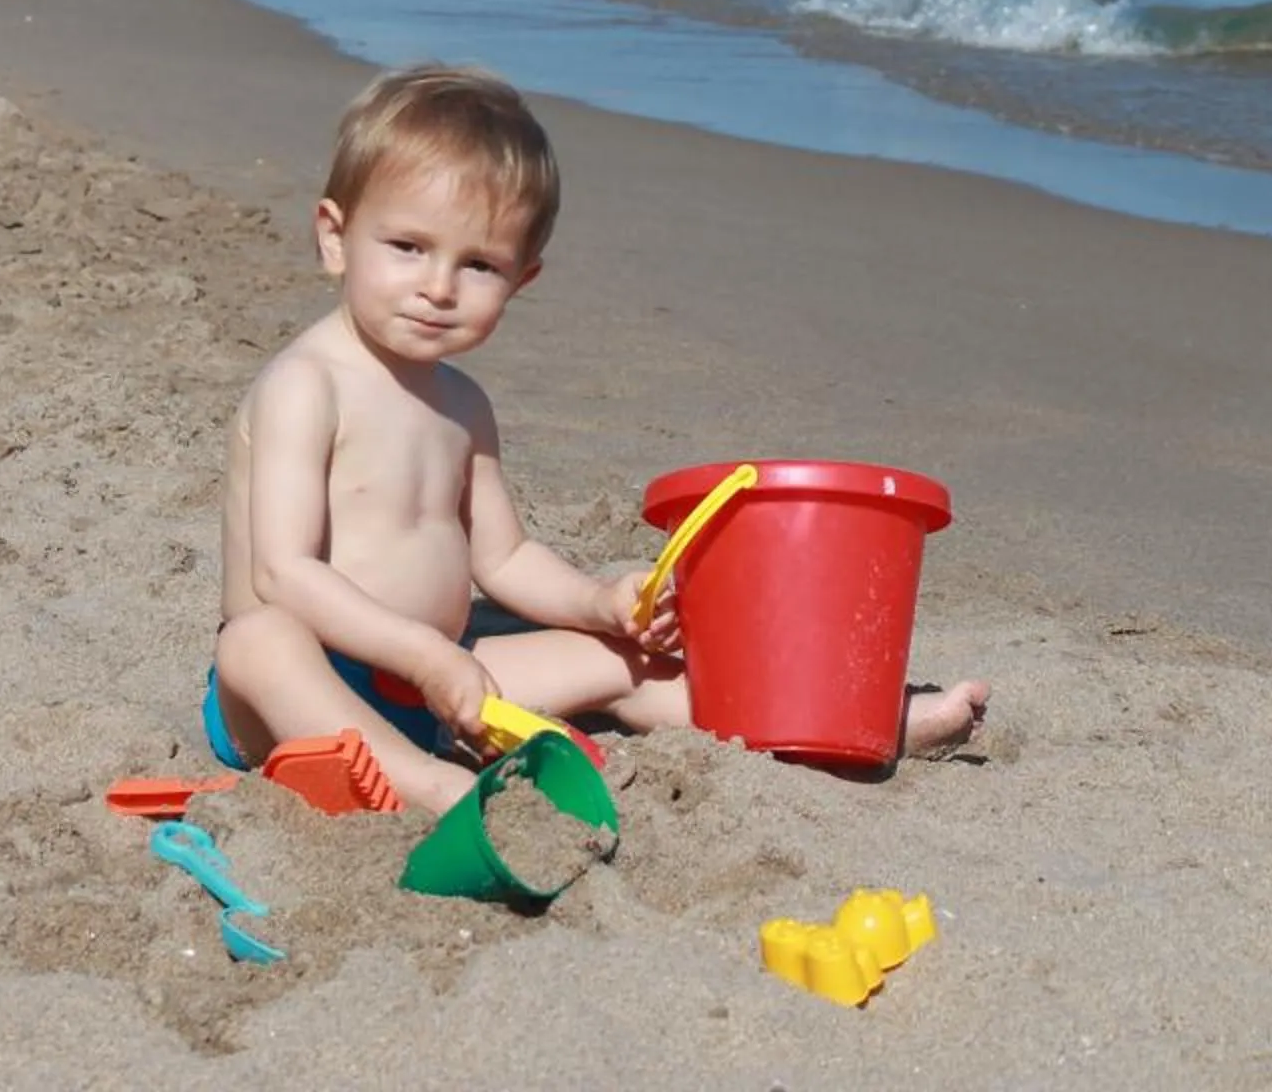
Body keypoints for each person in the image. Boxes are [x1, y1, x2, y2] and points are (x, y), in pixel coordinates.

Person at [205, 64, 986, 810]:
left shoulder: (462, 404)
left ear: (522, 279)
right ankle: (426, 787)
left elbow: (503, 559)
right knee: (257, 639)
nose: (438, 287)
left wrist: (596, 603)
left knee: (632, 663)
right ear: (336, 237)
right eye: (407, 247)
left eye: (478, 264)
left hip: (437, 685)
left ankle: (843, 726)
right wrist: (423, 652)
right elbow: (283, 573)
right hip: (296, 696)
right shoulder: (308, 385)